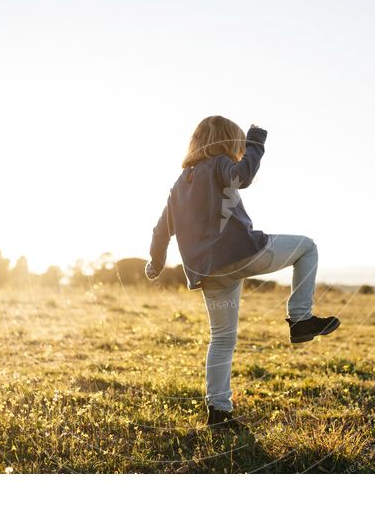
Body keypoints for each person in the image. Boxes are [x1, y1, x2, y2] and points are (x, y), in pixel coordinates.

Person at [145, 115, 340, 429]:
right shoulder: (220, 163)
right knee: (307, 247)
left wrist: (154, 265)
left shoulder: (180, 184)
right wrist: (256, 141)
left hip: (208, 272)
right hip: (242, 255)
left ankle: (219, 413)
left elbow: (160, 231)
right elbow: (243, 175)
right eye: (237, 143)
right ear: (226, 142)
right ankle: (301, 319)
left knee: (221, 339)